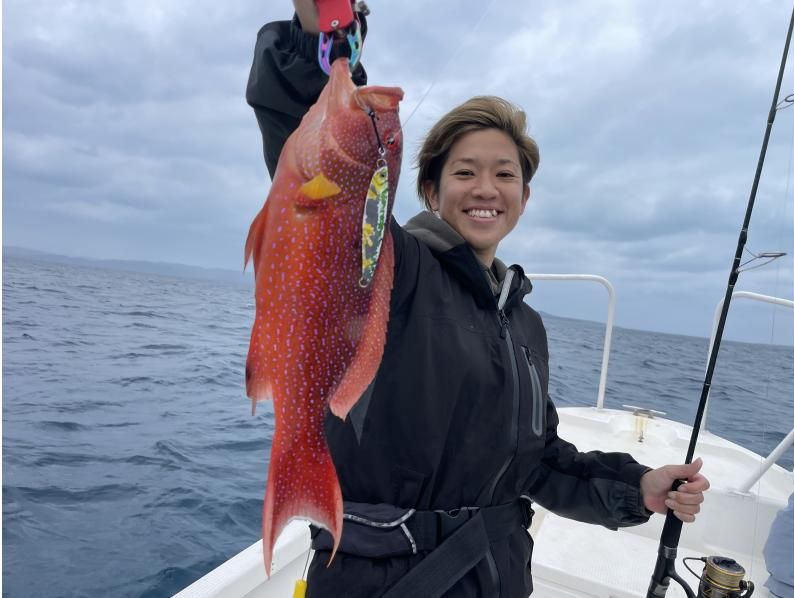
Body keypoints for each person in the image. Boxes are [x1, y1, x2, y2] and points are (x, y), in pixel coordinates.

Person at [246, 3, 710, 596]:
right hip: (383, 578)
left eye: (505, 174)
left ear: (524, 195)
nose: (486, 189)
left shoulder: (525, 325)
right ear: (430, 190)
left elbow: (537, 463)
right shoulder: (396, 265)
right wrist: (318, 36)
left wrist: (636, 488)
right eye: (464, 173)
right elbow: (324, 174)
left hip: (496, 576)